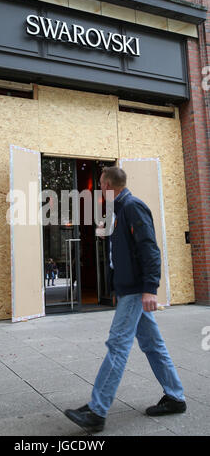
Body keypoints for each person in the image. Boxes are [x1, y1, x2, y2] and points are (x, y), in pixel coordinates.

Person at [65, 167, 186, 432]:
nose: (99, 189)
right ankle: (176, 397)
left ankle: (97, 410)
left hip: (135, 290)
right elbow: (121, 253)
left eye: (100, 185)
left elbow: (149, 249)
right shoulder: (119, 211)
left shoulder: (132, 206)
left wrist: (150, 289)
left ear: (109, 185)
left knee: (117, 345)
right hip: (127, 289)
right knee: (153, 345)